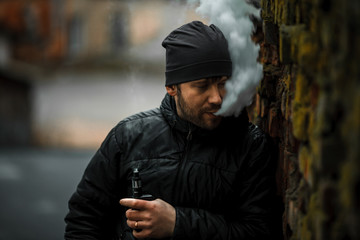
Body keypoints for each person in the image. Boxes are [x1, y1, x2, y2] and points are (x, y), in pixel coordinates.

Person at [64, 20, 278, 240]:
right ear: (172, 87)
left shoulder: (251, 147)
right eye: (202, 86)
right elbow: (84, 220)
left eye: (223, 83)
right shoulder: (128, 137)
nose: (217, 98)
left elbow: (260, 232)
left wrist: (177, 222)